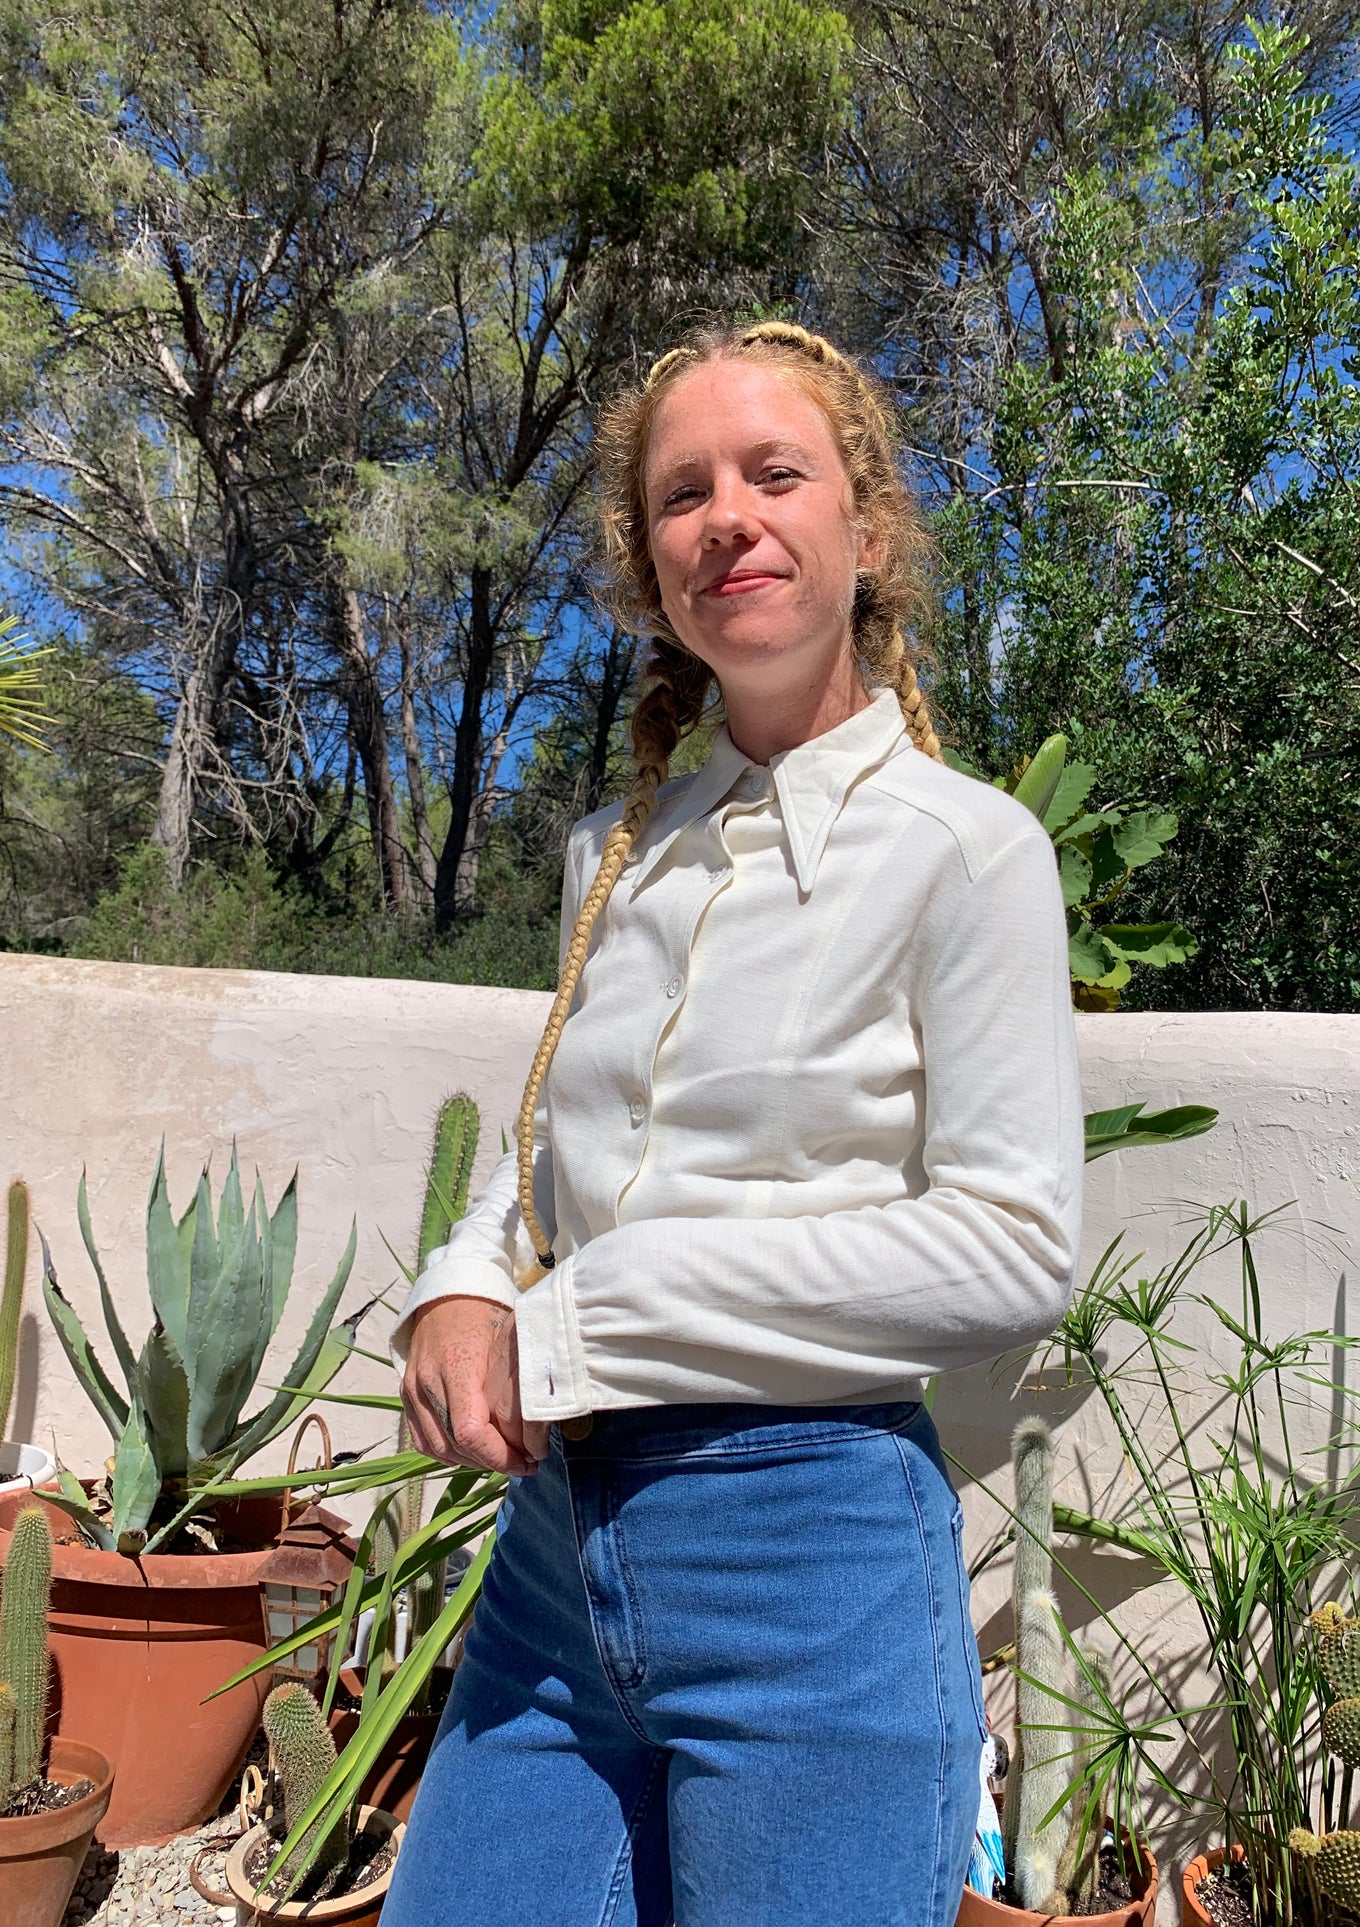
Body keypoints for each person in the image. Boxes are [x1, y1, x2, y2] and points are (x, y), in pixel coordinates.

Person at [382, 321, 1084, 1927]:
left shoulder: (963, 855)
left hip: (813, 1560)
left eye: (778, 473)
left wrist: (591, 1316)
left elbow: (1011, 1248)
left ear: (867, 526)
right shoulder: (613, 852)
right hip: (553, 1567)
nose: (728, 517)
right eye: (680, 493)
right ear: (650, 569)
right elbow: (548, 1144)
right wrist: (466, 1278)